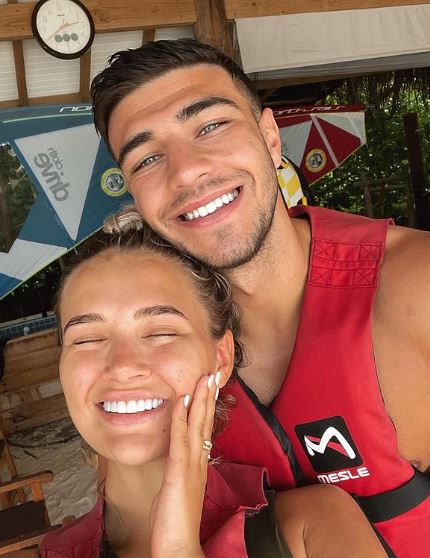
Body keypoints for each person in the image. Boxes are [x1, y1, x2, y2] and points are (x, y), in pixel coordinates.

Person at [90, 39, 430, 556]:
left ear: (270, 138)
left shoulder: (412, 287)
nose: (184, 171)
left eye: (210, 126)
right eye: (147, 158)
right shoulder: (152, 360)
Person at [6, 213, 386, 557]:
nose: (122, 367)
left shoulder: (314, 529)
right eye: (87, 339)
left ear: (221, 357)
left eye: (161, 331)